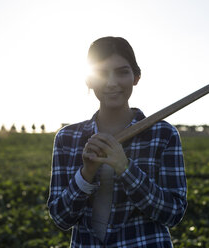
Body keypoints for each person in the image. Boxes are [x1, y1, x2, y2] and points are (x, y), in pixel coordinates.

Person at [47, 36, 187, 247]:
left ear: (136, 77)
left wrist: (125, 168)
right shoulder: (67, 138)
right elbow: (61, 219)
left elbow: (173, 213)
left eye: (122, 72)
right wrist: (86, 175)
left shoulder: (163, 134)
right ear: (89, 79)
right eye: (102, 73)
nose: (112, 83)